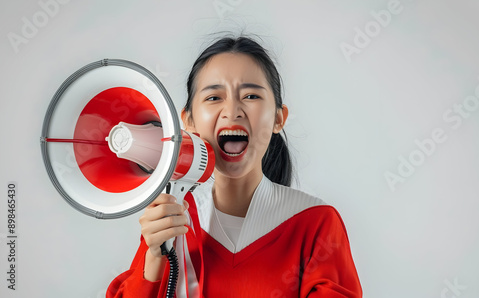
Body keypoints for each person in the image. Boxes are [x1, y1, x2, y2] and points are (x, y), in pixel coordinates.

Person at [107, 35, 362, 297]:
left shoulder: (315, 222)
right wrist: (154, 259)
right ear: (188, 122)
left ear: (278, 118)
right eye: (214, 98)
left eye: (250, 95)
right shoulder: (172, 220)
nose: (232, 111)